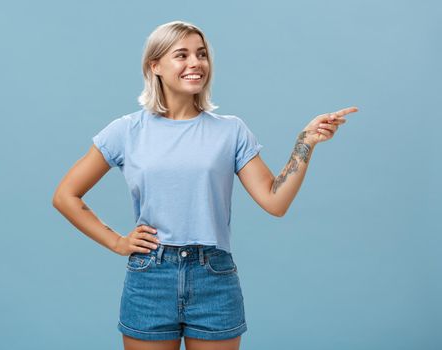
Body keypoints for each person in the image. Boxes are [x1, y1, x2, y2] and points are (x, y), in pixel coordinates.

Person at [52, 20, 358, 350]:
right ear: (155, 65)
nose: (195, 63)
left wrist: (305, 143)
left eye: (201, 54)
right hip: (151, 276)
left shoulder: (231, 131)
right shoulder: (126, 131)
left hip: (213, 275)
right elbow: (65, 196)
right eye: (181, 55)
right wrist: (116, 242)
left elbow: (275, 201)